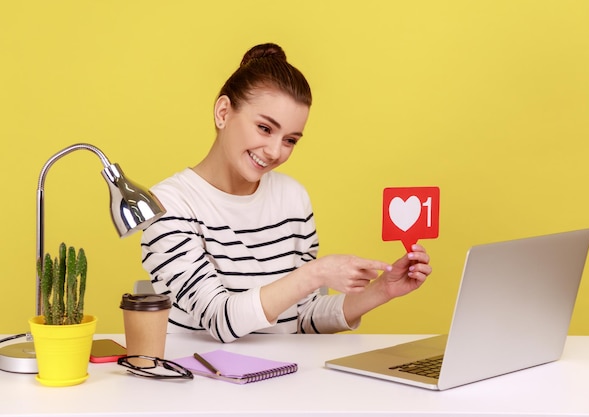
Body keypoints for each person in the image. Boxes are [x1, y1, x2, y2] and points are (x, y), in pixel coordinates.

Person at [140, 43, 432, 343]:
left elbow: (300, 317)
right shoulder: (168, 205)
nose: (275, 151)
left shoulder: (292, 198)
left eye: (290, 140)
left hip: (282, 379)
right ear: (223, 112)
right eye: (265, 128)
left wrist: (382, 290)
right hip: (200, 381)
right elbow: (219, 318)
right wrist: (317, 273)